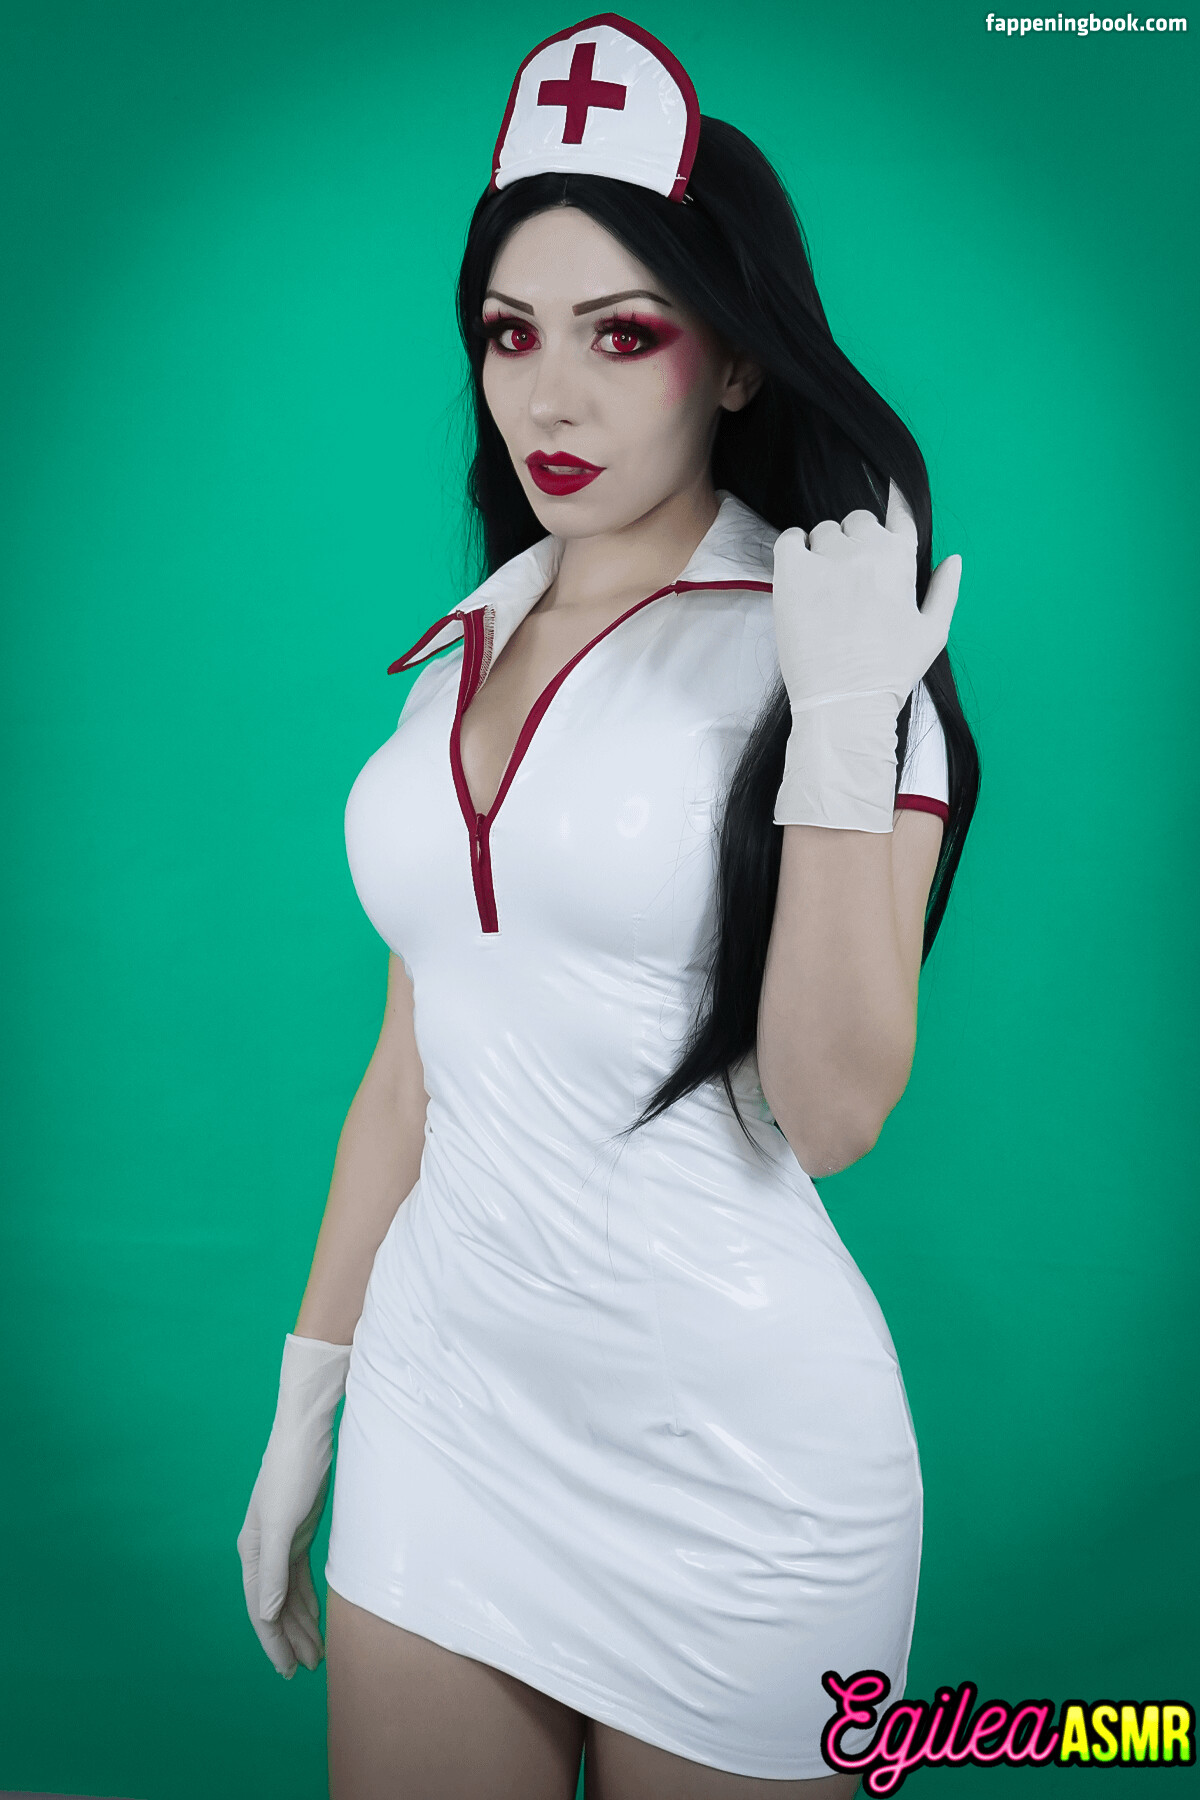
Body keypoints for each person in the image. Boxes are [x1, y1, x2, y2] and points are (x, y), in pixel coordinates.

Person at [237, 15, 980, 1798]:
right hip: (442, 1427)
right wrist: (306, 1402)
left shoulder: (837, 656)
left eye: (622, 334)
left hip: (737, 1474)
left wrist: (847, 726)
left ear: (737, 364)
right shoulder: (449, 666)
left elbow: (831, 1111)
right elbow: (411, 1079)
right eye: (512, 333)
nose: (547, 397)